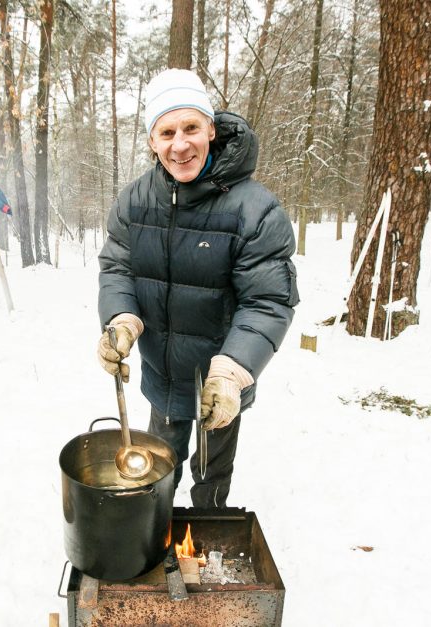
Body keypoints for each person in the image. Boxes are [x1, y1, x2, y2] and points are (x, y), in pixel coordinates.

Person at [96, 69, 299, 508]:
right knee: (155, 471)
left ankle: (209, 532)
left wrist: (231, 372)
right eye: (166, 132)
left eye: (190, 127)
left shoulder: (255, 210)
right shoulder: (135, 201)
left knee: (210, 475)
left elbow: (267, 300)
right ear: (152, 141)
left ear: (211, 127)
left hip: (220, 381)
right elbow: (117, 266)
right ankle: (154, 534)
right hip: (162, 376)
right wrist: (122, 319)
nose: (180, 144)